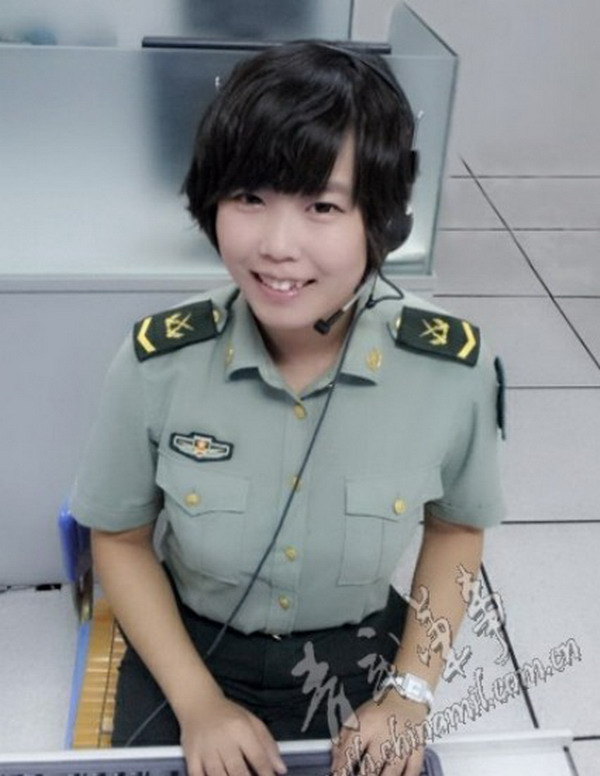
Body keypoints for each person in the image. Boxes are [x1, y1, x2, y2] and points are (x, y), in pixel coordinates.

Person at [70, 41, 505, 776]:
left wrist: (408, 695)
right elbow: (119, 537)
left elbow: (457, 528)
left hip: (358, 650)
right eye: (249, 198)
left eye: (322, 206)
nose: (277, 246)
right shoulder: (156, 362)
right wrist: (198, 703)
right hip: (188, 644)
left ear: (383, 222)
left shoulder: (452, 370)